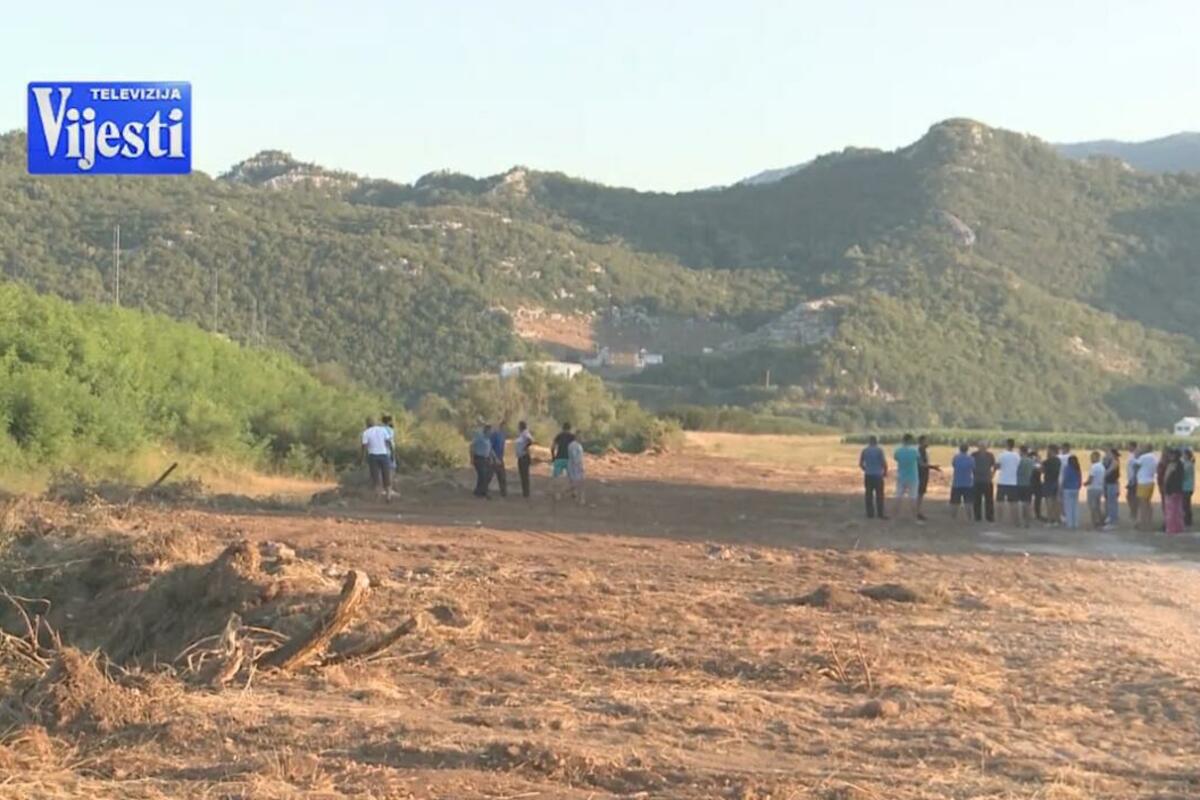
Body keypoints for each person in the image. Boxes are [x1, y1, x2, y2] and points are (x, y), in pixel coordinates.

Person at [360, 417, 395, 501]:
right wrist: (392, 454)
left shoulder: (366, 433)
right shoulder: (383, 430)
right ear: (375, 423)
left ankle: (378, 496)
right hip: (384, 455)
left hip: (373, 456)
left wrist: (362, 458)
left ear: (367, 424)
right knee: (386, 475)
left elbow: (364, 447)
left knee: (375, 476)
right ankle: (388, 496)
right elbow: (389, 442)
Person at [858, 435, 888, 520]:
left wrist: (866, 469)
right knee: (879, 495)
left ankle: (870, 513)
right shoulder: (879, 450)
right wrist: (885, 471)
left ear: (869, 441)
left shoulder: (865, 450)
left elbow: (860, 463)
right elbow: (883, 462)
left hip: (868, 475)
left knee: (868, 494)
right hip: (878, 475)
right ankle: (880, 513)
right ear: (876, 441)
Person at [892, 434, 920, 520]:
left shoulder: (898, 451)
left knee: (898, 497)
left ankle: (894, 517)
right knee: (913, 498)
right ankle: (915, 518)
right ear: (910, 441)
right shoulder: (915, 451)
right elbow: (918, 460)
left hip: (901, 476)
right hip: (913, 477)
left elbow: (896, 458)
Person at [995, 438, 1021, 525]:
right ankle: (1016, 521)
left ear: (1006, 444)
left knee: (1000, 502)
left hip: (1002, 481)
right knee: (1014, 503)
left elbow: (997, 466)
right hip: (1013, 482)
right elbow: (1018, 466)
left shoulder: (1001, 455)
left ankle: (999, 520)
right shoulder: (1017, 456)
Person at [916, 435, 941, 521]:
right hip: (921, 475)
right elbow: (921, 464)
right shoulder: (920, 451)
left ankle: (918, 511)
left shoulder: (923, 451)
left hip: (923, 474)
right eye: (926, 441)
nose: (928, 443)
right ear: (922, 442)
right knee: (919, 494)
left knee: (920, 494)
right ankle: (917, 512)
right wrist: (932, 467)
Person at [949, 443, 975, 523]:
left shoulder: (956, 458)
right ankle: (969, 518)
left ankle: (953, 518)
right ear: (967, 449)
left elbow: (953, 465)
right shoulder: (971, 459)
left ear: (960, 449)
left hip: (956, 483)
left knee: (955, 502)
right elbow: (973, 468)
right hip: (968, 483)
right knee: (968, 502)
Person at [971, 442, 996, 523]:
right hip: (978, 480)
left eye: (983, 446)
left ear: (986, 447)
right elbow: (970, 465)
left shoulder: (990, 455)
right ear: (978, 447)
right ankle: (978, 516)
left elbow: (994, 466)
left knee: (989, 500)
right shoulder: (973, 455)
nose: (982, 447)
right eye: (981, 446)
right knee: (977, 500)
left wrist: (993, 474)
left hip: (986, 480)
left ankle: (989, 516)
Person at [1135, 444, 1158, 531]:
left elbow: (1136, 465)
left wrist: (1137, 454)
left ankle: (1143, 523)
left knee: (1142, 504)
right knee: (1148, 503)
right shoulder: (1154, 457)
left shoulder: (1143, 457)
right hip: (1151, 481)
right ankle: (1149, 522)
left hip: (1143, 482)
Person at [1163, 448, 1185, 535]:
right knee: (1177, 510)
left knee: (1170, 510)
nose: (1170, 456)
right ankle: (1179, 527)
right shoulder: (1181, 464)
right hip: (1178, 490)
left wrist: (1165, 487)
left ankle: (1171, 528)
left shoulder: (1172, 465)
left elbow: (1166, 478)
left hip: (1171, 490)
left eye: (1171, 455)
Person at [470, 423, 495, 499]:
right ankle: (485, 492)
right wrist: (471, 458)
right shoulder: (479, 437)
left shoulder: (488, 439)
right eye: (490, 431)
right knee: (483, 475)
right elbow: (472, 446)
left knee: (489, 474)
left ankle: (478, 491)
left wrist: (493, 458)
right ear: (487, 430)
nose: (491, 433)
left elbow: (490, 450)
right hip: (479, 458)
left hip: (486, 459)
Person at [1041, 444, 1061, 526]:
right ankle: (1056, 520)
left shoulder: (1047, 461)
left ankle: (1049, 520)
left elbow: (1042, 470)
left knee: (1048, 502)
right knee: (1055, 502)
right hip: (1055, 481)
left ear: (1052, 450)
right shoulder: (1058, 460)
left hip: (1048, 482)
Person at [1085, 451, 1106, 529]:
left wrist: (1085, 483)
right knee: (1097, 506)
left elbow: (1091, 479)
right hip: (1100, 488)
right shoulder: (1102, 466)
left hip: (1093, 488)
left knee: (1092, 506)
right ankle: (1101, 520)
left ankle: (1094, 522)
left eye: (1092, 457)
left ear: (1097, 457)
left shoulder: (1093, 467)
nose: (1091, 459)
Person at [1061, 454, 1082, 530]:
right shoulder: (1077, 468)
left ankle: (1069, 523)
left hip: (1068, 488)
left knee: (1068, 507)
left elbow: (1065, 478)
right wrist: (1078, 485)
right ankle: (1075, 523)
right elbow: (1080, 478)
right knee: (1075, 506)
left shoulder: (1067, 468)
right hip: (1075, 489)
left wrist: (1062, 486)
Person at [514, 420, 534, 499]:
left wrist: (525, 447)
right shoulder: (521, 434)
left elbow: (530, 440)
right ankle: (525, 492)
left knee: (524, 475)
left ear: (521, 426)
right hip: (521, 457)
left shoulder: (525, 433)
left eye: (519, 426)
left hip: (524, 457)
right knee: (522, 475)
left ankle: (526, 493)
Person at [1016, 446, 1035, 528]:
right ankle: (1027, 522)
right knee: (1027, 503)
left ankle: (1019, 521)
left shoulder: (1019, 461)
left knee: (1019, 503)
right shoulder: (1031, 461)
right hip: (1028, 483)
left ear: (1021, 451)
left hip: (1019, 483)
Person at [489, 422, 508, 498]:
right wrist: (494, 458)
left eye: (505, 427)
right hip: (494, 459)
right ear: (500, 427)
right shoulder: (495, 435)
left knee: (502, 476)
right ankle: (483, 490)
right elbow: (490, 447)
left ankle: (504, 493)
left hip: (500, 458)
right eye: (504, 427)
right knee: (489, 476)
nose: (505, 428)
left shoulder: (503, 435)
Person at [1103, 448, 1121, 529]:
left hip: (1112, 484)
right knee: (1110, 502)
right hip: (1110, 483)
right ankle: (1111, 518)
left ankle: (1112, 520)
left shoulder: (1115, 462)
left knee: (1112, 503)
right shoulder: (1111, 461)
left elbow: (1107, 472)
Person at [566, 434, 586, 505]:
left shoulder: (575, 445)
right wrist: (580, 466)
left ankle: (574, 493)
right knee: (580, 483)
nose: (582, 438)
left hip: (573, 465)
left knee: (574, 481)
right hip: (576, 466)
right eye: (581, 437)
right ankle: (581, 499)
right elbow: (575, 457)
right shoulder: (575, 445)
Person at [1125, 441, 1141, 521]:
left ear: (1133, 447)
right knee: (1130, 496)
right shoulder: (1130, 455)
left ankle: (1134, 512)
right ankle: (1133, 511)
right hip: (1131, 478)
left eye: (1129, 446)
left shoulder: (1135, 455)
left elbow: (1136, 467)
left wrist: (1134, 478)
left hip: (1134, 479)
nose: (1128, 447)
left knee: (1131, 496)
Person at [1029, 450, 1045, 521]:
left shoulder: (1034, 463)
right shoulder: (1035, 464)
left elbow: (1042, 470)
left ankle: (1034, 514)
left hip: (1032, 483)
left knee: (1033, 499)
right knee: (1037, 500)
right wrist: (1039, 462)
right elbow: (1041, 470)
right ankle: (1037, 514)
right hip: (1036, 483)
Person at [1183, 448, 1195, 529]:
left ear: (1187, 455)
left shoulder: (1188, 464)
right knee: (1187, 504)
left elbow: (1184, 475)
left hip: (1186, 487)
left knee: (1186, 505)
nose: (1183, 456)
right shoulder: (1189, 463)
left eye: (1184, 454)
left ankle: (1187, 521)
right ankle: (1188, 520)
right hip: (1189, 487)